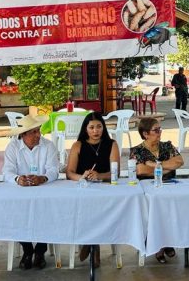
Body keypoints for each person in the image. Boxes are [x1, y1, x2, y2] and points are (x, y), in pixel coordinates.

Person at [2, 115, 59, 270]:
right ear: (23, 135)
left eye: (38, 131)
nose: (38, 135)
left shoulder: (48, 146)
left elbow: (54, 170)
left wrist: (42, 178)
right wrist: (17, 179)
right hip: (20, 193)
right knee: (15, 213)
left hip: (44, 190)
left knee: (49, 210)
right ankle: (27, 249)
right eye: (33, 132)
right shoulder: (13, 147)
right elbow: (7, 171)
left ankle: (40, 250)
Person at [66, 112, 120, 268]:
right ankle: (92, 245)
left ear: (103, 127)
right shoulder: (78, 145)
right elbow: (69, 173)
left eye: (99, 127)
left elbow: (115, 173)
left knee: (100, 209)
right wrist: (82, 177)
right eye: (91, 128)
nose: (95, 131)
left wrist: (99, 175)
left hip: (104, 189)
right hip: (82, 189)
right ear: (85, 129)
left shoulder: (112, 144)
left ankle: (91, 244)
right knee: (85, 209)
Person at [130, 117, 184, 264]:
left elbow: (179, 161)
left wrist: (155, 165)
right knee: (157, 205)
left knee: (173, 205)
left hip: (170, 186)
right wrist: (166, 167)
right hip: (148, 190)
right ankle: (159, 245)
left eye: (160, 129)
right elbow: (141, 170)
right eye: (156, 130)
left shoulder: (167, 146)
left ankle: (167, 241)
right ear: (145, 134)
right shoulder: (137, 150)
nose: (160, 132)